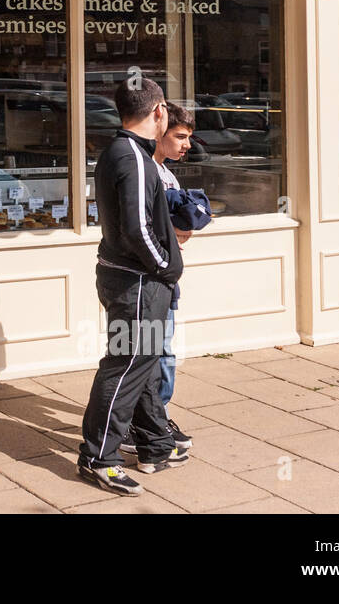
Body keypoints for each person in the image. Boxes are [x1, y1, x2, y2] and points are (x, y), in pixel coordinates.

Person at [77, 78, 187, 496]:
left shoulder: (120, 152)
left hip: (131, 278)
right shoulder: (134, 158)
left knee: (142, 360)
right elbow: (138, 229)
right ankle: (96, 457)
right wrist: (166, 268)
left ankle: (154, 443)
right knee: (125, 364)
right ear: (158, 112)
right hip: (138, 281)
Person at [121, 101, 197, 456]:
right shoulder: (143, 169)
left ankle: (153, 418)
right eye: (179, 136)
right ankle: (147, 422)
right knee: (151, 353)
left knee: (163, 351)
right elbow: (143, 228)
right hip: (148, 277)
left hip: (166, 275)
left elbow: (177, 228)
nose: (186, 144)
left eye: (188, 138)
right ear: (159, 132)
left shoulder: (168, 174)